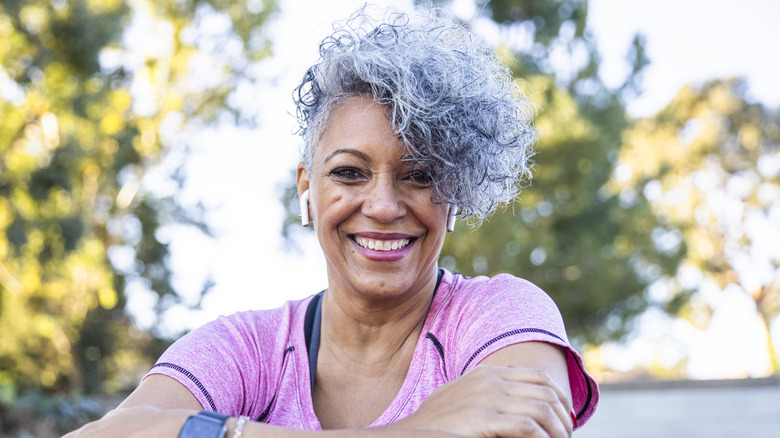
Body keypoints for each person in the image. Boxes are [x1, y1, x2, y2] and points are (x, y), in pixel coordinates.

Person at [66, 6, 598, 438]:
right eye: (350, 172)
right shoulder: (247, 347)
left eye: (418, 176)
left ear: (453, 193)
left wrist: (210, 433)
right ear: (308, 189)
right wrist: (421, 431)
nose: (384, 206)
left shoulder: (498, 317)